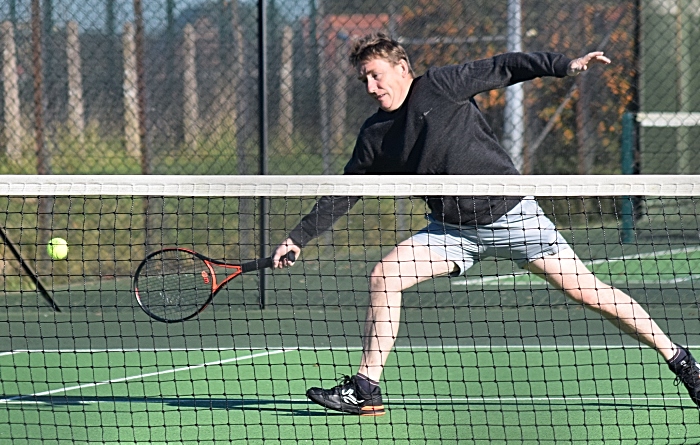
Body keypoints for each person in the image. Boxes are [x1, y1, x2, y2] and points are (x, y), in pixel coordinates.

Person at [272, 33, 700, 416]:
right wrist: (298, 237)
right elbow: (347, 189)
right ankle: (365, 388)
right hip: (452, 230)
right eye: (363, 79)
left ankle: (680, 360)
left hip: (512, 217)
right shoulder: (375, 133)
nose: (371, 87)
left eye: (376, 75)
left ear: (402, 68)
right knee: (385, 275)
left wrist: (563, 65)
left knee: (592, 295)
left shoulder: (440, 85)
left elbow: (505, 66)